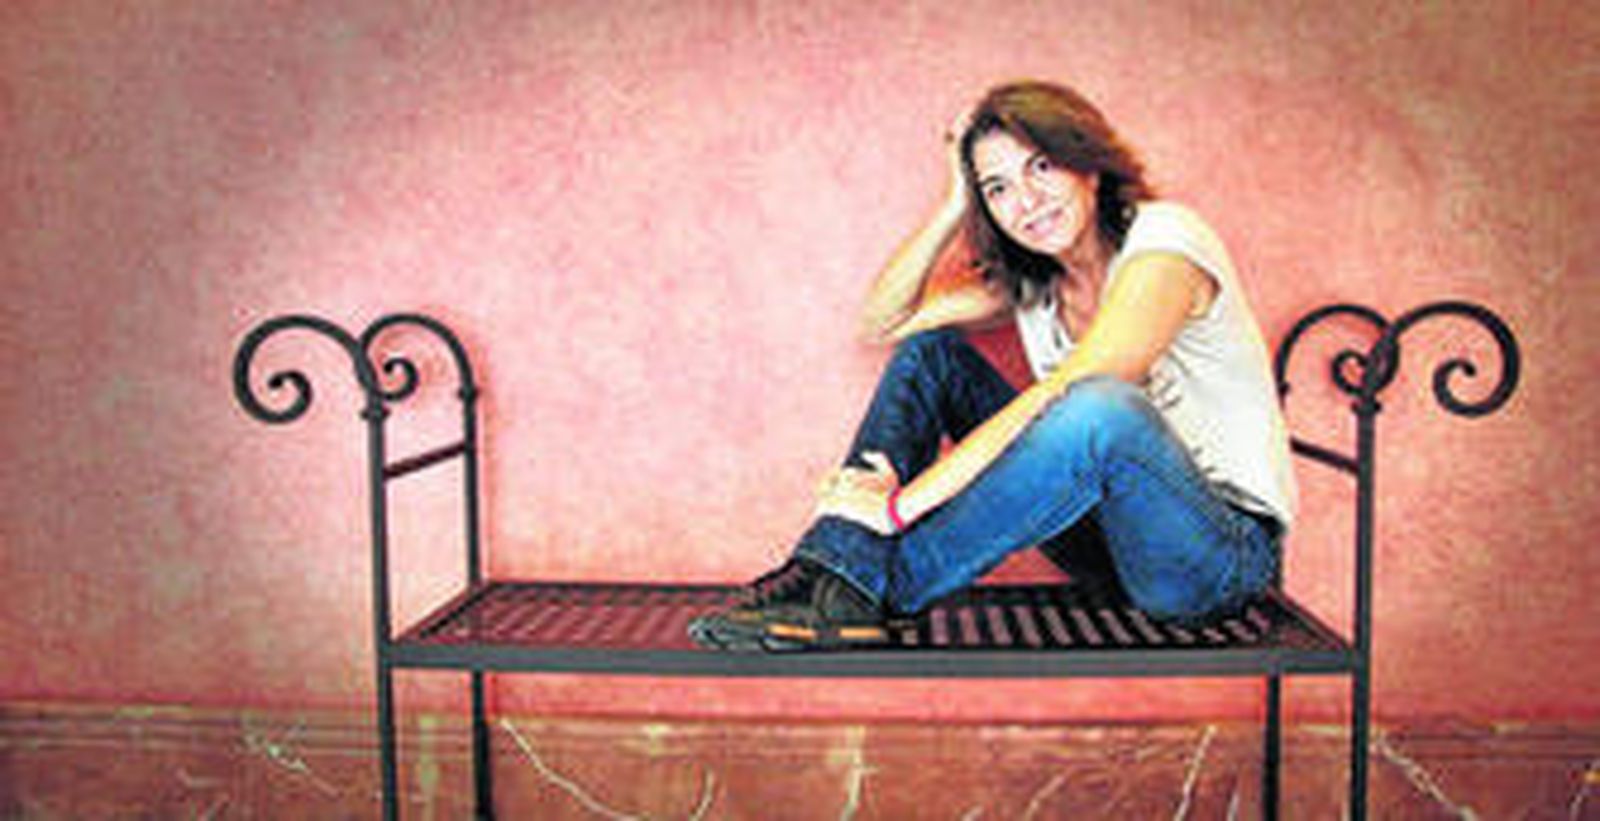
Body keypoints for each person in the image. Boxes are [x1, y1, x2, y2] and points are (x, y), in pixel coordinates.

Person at [689, 80, 1297, 652]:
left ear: (1088, 165)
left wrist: (899, 509)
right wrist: (955, 202)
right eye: (997, 188)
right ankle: (836, 565)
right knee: (931, 354)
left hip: (1215, 560)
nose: (1025, 201)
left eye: (1041, 167)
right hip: (1108, 549)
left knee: (1100, 409)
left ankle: (866, 590)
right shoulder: (1035, 282)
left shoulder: (1167, 240)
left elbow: (1076, 387)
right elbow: (882, 323)